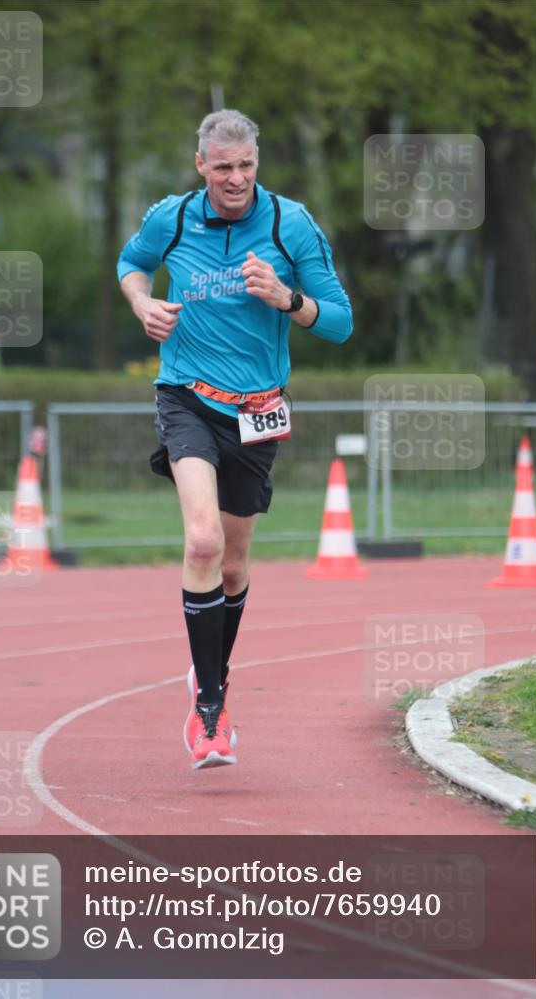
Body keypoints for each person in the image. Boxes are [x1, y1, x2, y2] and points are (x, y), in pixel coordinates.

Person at [117, 109, 353, 770]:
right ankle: (209, 710)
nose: (235, 179)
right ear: (201, 165)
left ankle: (209, 672)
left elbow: (339, 322)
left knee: (232, 564)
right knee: (202, 540)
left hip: (256, 410)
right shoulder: (171, 217)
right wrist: (142, 303)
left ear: (257, 163)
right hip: (186, 395)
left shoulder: (288, 224)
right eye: (222, 167)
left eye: (245, 166)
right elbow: (132, 263)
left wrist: (286, 299)